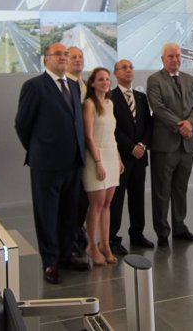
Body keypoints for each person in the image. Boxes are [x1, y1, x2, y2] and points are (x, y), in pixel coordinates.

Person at [14, 42, 86, 284]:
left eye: (66, 54)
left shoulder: (74, 86)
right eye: (59, 54)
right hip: (46, 163)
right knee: (47, 214)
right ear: (46, 59)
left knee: (69, 213)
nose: (64, 58)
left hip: (73, 161)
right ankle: (50, 262)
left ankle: (66, 255)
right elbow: (22, 125)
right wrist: (38, 149)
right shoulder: (35, 86)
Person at [147, 42, 193, 247]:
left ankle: (179, 226)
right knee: (161, 190)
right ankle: (162, 231)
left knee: (180, 189)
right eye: (171, 56)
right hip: (165, 144)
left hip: (186, 145)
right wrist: (180, 125)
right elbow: (158, 108)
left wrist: (190, 123)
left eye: (178, 56)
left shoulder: (190, 80)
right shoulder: (154, 80)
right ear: (163, 59)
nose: (175, 60)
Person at [109, 59, 155, 255]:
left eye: (131, 68)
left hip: (140, 156)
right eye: (124, 68)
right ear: (116, 73)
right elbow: (113, 128)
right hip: (121, 158)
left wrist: (143, 145)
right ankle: (113, 238)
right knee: (116, 200)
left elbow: (148, 124)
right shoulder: (110, 97)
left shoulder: (141, 97)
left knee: (137, 198)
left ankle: (137, 234)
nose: (128, 71)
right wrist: (130, 147)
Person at [82, 67, 124, 265]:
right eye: (100, 79)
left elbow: (112, 135)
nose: (105, 82)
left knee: (107, 204)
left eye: (107, 79)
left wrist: (117, 158)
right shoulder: (89, 104)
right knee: (96, 205)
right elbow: (89, 136)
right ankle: (92, 245)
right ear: (92, 83)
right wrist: (98, 162)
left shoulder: (110, 103)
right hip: (95, 157)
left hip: (110, 153)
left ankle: (105, 244)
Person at [66, 45, 89, 260]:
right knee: (71, 199)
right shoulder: (65, 85)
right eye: (74, 57)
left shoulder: (85, 85)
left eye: (81, 57)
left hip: (86, 150)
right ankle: (70, 240)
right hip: (69, 153)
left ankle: (79, 232)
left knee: (84, 198)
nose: (78, 60)